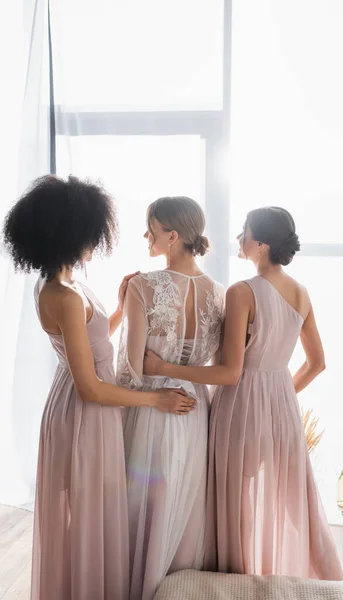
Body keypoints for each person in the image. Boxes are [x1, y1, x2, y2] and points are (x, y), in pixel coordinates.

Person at [2, 175, 194, 600]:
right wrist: (156, 399)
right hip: (86, 408)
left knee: (94, 512)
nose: (95, 244)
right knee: (90, 514)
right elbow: (90, 386)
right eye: (91, 235)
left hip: (82, 400)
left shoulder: (65, 284)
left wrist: (121, 309)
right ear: (72, 235)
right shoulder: (63, 295)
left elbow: (90, 347)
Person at [144, 206, 343, 580]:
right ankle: (331, 583)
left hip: (241, 408)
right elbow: (316, 362)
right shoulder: (300, 293)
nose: (239, 238)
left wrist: (163, 368)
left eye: (245, 232)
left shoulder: (243, 292)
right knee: (295, 502)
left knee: (237, 506)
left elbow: (230, 373)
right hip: (281, 408)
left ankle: (237, 583)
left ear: (262, 245)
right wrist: (279, 394)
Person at [117, 196, 225, 600]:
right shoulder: (220, 293)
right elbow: (220, 370)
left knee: (143, 508)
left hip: (152, 409)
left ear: (173, 236)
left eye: (151, 228)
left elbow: (131, 368)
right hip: (197, 411)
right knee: (184, 506)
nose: (146, 235)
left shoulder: (144, 286)